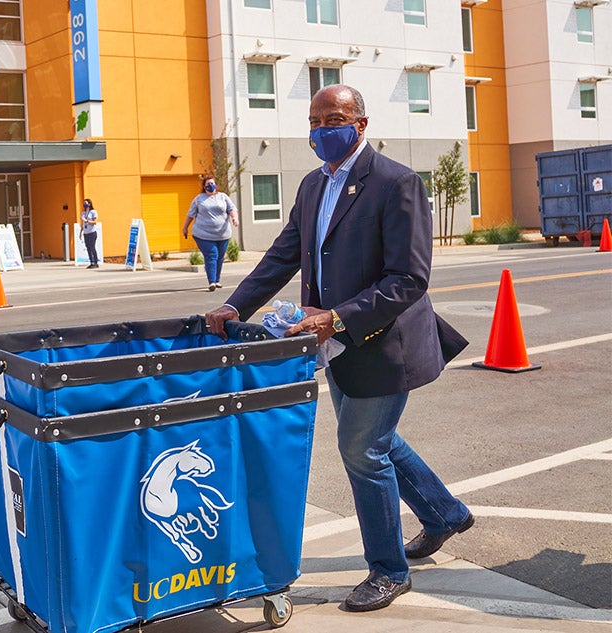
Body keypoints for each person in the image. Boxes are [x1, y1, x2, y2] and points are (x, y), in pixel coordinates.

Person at [204, 85, 472, 613]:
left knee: (360, 449)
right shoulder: (311, 185)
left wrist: (338, 318)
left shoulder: (397, 182)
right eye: (315, 120)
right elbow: (284, 255)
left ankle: (388, 571)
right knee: (376, 440)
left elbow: (409, 279)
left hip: (381, 340)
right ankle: (444, 514)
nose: (323, 129)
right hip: (333, 344)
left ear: (361, 124)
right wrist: (237, 305)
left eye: (335, 118)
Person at [181, 176, 239, 292]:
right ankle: (211, 282)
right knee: (212, 255)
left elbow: (232, 209)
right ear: (204, 186)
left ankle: (217, 280)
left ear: (216, 185)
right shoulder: (199, 199)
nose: (210, 185)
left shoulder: (223, 197)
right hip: (203, 235)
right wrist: (185, 228)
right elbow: (190, 215)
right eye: (208, 183)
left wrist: (234, 218)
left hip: (223, 234)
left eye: (212, 183)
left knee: (220, 257)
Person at [81, 198, 100, 268]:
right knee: (88, 247)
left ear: (89, 204)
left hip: (92, 232)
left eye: (85, 203)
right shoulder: (83, 213)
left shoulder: (93, 212)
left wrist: (87, 221)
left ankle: (95, 262)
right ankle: (91, 262)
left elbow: (95, 222)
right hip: (86, 233)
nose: (84, 204)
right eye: (83, 203)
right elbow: (83, 224)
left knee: (92, 247)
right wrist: (80, 232)